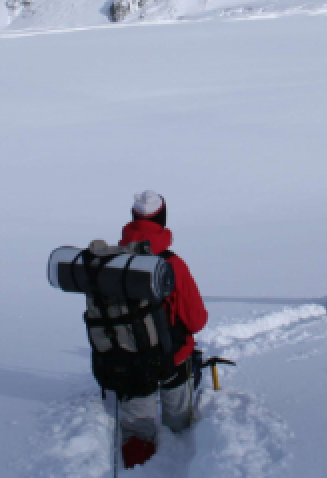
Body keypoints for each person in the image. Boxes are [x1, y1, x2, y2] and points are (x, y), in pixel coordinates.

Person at [114, 190, 208, 468]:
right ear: (162, 219)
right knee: (179, 425)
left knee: (136, 435)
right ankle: (180, 457)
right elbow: (197, 320)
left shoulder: (114, 263)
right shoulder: (173, 264)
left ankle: (137, 465)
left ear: (133, 217)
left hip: (129, 360)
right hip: (171, 361)